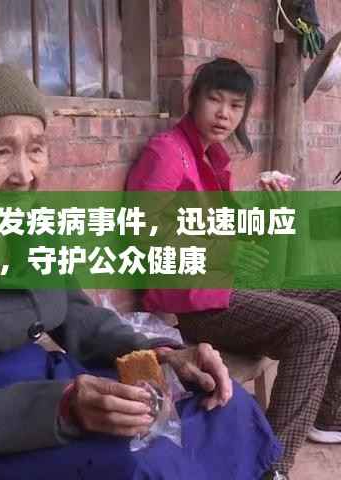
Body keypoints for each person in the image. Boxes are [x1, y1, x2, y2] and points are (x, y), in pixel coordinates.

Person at [0, 64, 281, 480]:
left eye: (36, 149)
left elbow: (78, 315)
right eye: (2, 152)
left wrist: (162, 354)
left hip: (44, 384)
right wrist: (63, 406)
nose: (24, 175)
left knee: (223, 408)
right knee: (140, 462)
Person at [127, 57, 341, 480]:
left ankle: (327, 415)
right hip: (196, 301)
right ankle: (272, 466)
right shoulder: (167, 152)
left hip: (232, 287)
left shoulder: (212, 159)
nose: (224, 114)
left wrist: (267, 211)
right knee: (316, 326)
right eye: (215, 100)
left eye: (236, 105)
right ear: (193, 99)